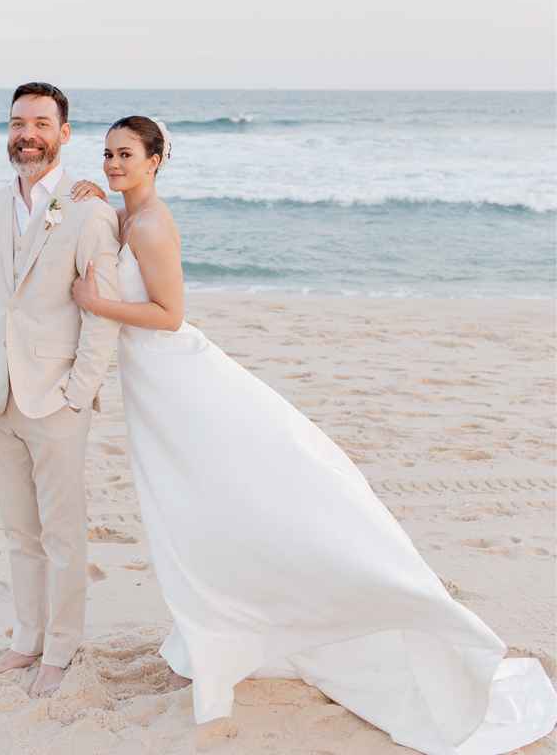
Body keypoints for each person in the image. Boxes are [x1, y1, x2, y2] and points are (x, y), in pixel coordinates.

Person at [69, 114, 557, 754]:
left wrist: (97, 304)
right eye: (106, 154)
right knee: (194, 510)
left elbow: (170, 313)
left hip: (179, 380)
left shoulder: (155, 224)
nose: (112, 163)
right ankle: (226, 622)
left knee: (236, 493)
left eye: (125, 154)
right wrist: (89, 196)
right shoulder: (126, 216)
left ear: (155, 159)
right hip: (153, 391)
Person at [0, 82, 121, 697]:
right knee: (19, 530)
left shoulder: (89, 211)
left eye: (41, 123)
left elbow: (99, 314)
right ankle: (27, 637)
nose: (28, 132)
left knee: (61, 531)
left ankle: (62, 644)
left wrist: (78, 393)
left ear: (64, 134)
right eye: (18, 121)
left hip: (56, 399)